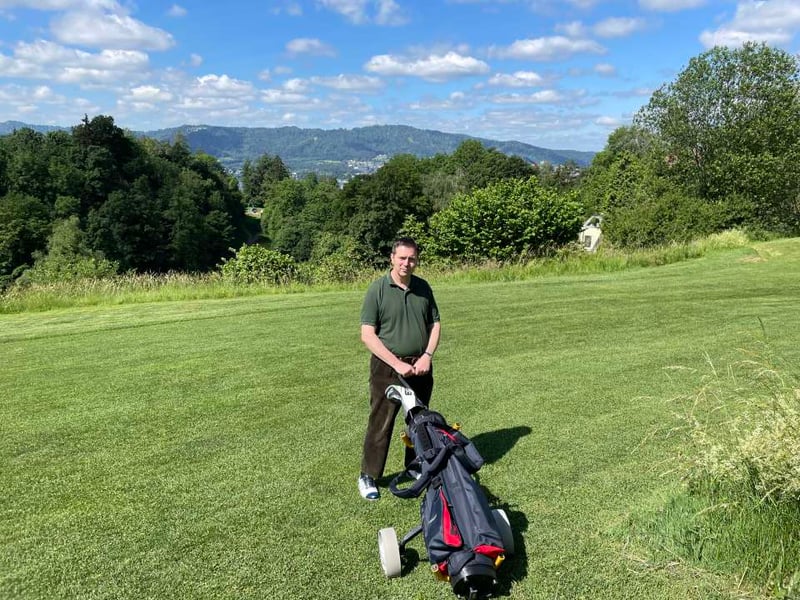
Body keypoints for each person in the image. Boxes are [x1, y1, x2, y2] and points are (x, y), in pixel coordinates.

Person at [358, 237, 441, 500]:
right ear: (392, 258)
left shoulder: (423, 288)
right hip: (387, 367)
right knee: (381, 422)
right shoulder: (378, 290)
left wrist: (427, 355)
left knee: (418, 422)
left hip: (420, 365)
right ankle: (369, 476)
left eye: (412, 259)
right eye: (402, 258)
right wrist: (396, 364)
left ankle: (414, 466)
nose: (407, 263)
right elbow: (367, 334)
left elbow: (435, 324)